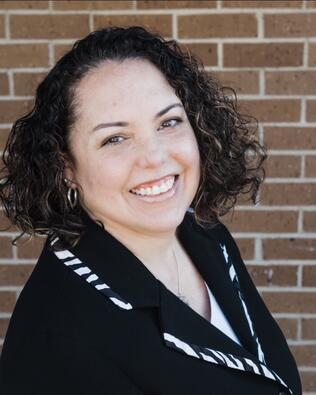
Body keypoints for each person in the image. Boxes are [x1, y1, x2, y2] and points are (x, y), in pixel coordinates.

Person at [0, 25, 301, 395]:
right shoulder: (57, 339)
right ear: (66, 167)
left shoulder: (204, 234)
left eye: (168, 122)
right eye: (115, 138)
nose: (156, 157)